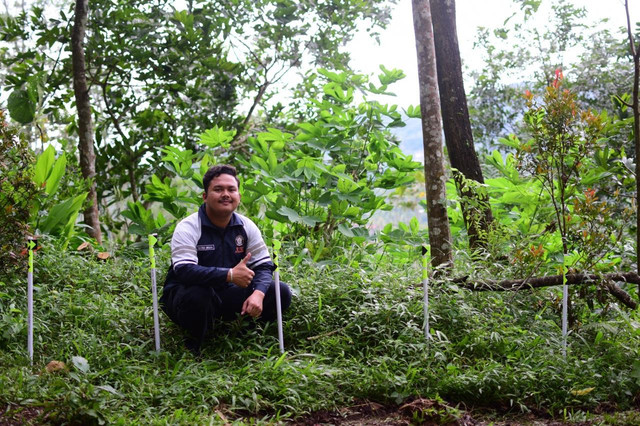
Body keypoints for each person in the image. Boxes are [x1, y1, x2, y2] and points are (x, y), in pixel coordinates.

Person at [160, 164, 292, 355]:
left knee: (280, 291)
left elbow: (264, 265)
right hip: (187, 296)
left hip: (228, 294)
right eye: (218, 189)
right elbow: (184, 271)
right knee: (198, 295)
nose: (226, 194)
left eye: (231, 189)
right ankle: (194, 345)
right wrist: (229, 275)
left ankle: (242, 334)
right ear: (205, 196)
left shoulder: (246, 226)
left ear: (238, 196)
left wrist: (259, 294)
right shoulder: (188, 226)